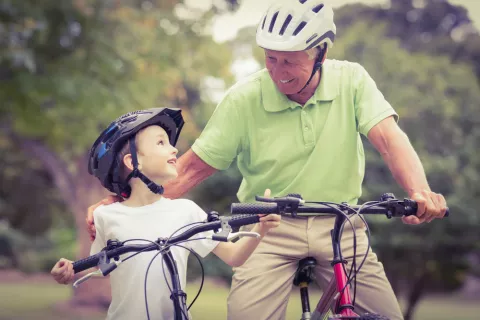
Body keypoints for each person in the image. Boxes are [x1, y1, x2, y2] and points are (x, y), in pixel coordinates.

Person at [86, 1, 448, 319]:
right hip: (267, 226)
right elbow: (192, 170)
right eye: (270, 59)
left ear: (320, 52)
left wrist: (420, 191)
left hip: (342, 221)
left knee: (383, 316)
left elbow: (388, 139)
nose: (278, 71)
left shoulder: (352, 81)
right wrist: (124, 203)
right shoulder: (244, 98)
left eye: (290, 61)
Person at [50, 108, 281, 320]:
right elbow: (102, 267)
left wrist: (261, 228)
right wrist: (71, 270)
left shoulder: (186, 212)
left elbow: (234, 257)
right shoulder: (106, 216)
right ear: (133, 161)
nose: (174, 149)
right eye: (161, 143)